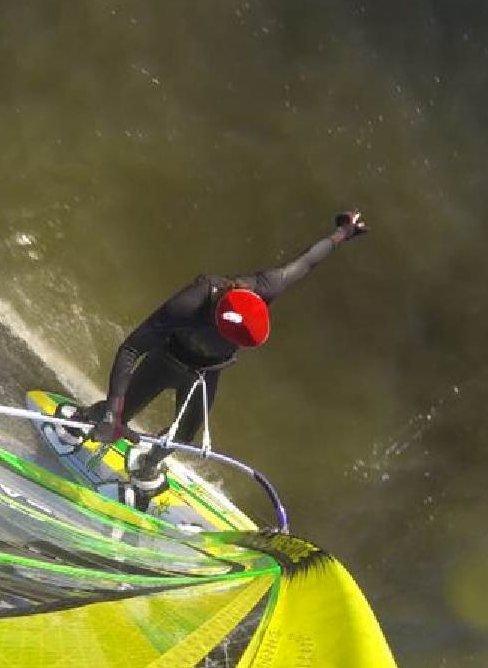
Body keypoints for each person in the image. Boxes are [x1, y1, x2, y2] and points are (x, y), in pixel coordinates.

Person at [76, 210, 367, 507]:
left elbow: (308, 260)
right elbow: (131, 349)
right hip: (167, 359)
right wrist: (112, 413)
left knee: (184, 435)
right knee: (119, 414)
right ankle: (79, 423)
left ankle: (145, 464)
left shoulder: (268, 285)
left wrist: (344, 231)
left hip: (203, 375)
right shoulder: (189, 304)